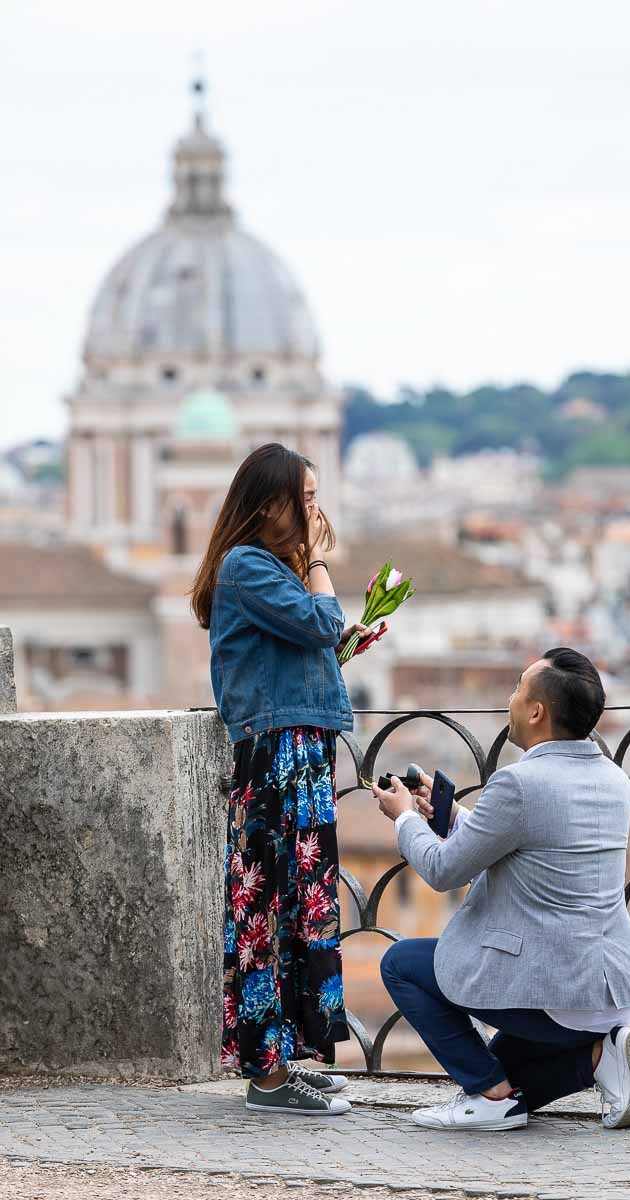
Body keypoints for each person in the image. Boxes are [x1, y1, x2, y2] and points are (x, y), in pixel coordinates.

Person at [372, 647, 630, 1133]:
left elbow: (442, 871)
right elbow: (532, 851)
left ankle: (491, 1096)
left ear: (537, 711)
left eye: (518, 689)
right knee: (507, 1079)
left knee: (400, 965)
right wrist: (456, 818)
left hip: (552, 990)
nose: (510, 699)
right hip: (606, 991)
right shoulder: (614, 779)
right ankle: (597, 1058)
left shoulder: (520, 783)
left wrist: (404, 821)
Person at [192, 442, 374, 1117]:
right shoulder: (246, 567)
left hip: (295, 753)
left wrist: (347, 643)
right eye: (305, 497)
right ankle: (265, 1078)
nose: (314, 511)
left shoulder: (264, 569)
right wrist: (320, 563)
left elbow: (314, 648)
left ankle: (285, 1060)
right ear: (267, 504)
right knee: (268, 908)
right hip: (275, 761)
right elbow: (320, 622)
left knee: (301, 906)